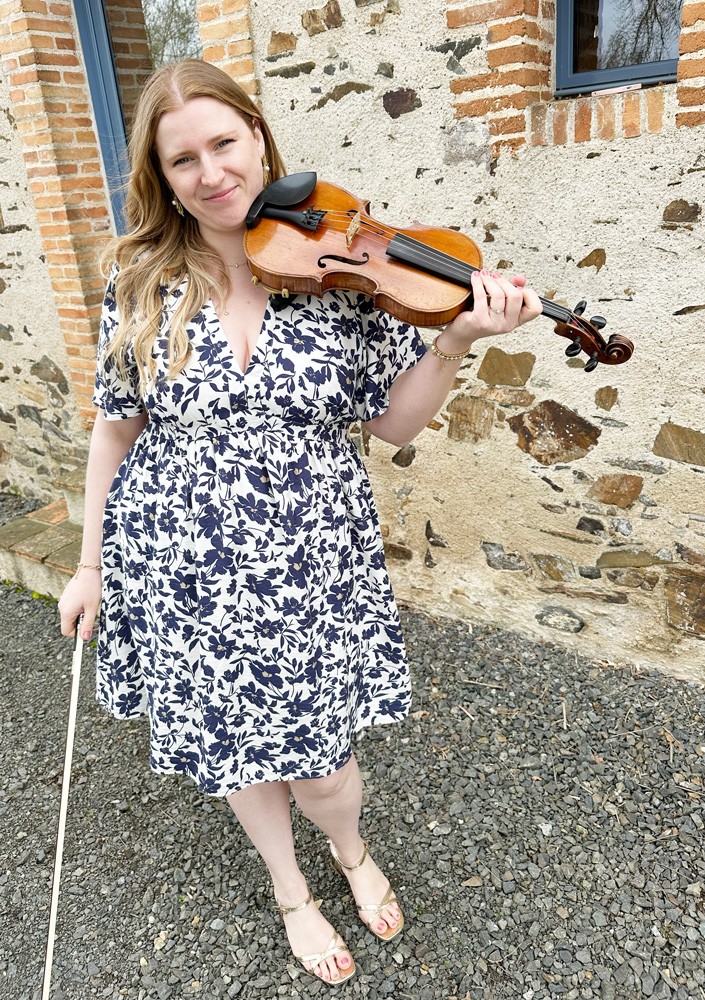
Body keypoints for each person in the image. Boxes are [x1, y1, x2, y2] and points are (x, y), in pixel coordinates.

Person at [58, 59, 542, 987]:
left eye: (223, 143)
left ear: (258, 136)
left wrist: (455, 340)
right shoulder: (140, 280)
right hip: (181, 565)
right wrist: (90, 566)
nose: (211, 173)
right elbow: (115, 428)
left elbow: (392, 423)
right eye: (183, 159)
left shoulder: (342, 270)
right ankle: (291, 890)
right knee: (239, 752)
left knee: (322, 765)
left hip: (313, 565)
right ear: (163, 176)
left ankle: (349, 850)